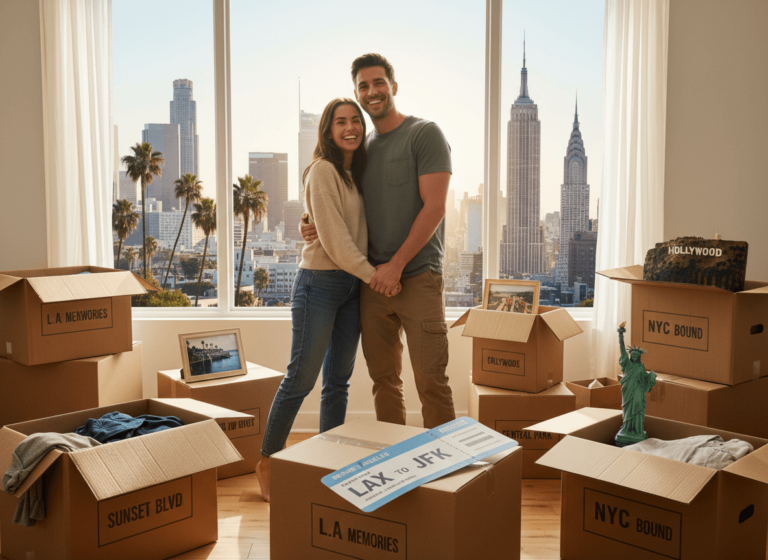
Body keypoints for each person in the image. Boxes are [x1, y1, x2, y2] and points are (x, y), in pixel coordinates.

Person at [302, 54, 456, 429]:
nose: (372, 92)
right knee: (384, 383)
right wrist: (310, 222)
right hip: (372, 284)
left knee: (432, 383)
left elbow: (435, 207)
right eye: (364, 86)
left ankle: (450, 464)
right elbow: (339, 200)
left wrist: (396, 266)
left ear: (393, 86)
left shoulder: (425, 134)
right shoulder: (362, 149)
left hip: (417, 277)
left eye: (378, 83)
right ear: (357, 93)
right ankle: (396, 457)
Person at [256, 98, 398, 502]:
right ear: (328, 130)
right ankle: (267, 461)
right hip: (319, 284)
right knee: (300, 380)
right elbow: (334, 240)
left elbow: (345, 224)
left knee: (337, 383)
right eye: (341, 122)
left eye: (356, 121)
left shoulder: (357, 174)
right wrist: (376, 277)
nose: (350, 127)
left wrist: (309, 221)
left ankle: (328, 462)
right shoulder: (322, 170)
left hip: (351, 288)